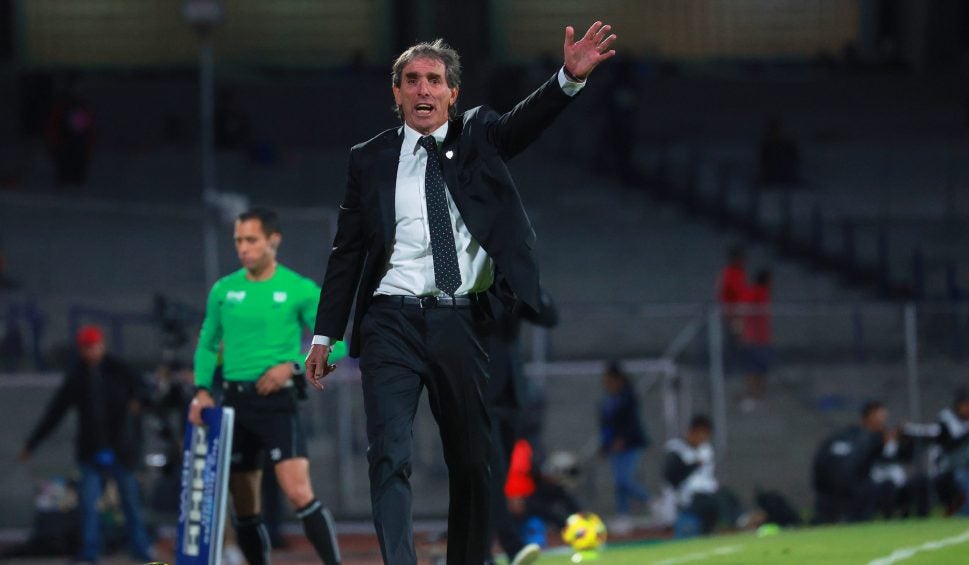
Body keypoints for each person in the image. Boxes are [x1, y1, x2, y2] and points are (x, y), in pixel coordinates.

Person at [304, 22, 618, 565]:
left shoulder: (478, 136)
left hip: (461, 321)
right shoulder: (368, 158)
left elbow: (523, 124)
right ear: (396, 92)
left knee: (474, 462)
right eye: (411, 80)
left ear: (453, 93)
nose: (423, 89)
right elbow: (347, 251)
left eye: (434, 80)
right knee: (389, 454)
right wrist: (324, 335)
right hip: (389, 321)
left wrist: (567, 79)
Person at [187, 208, 342, 565]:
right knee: (244, 507)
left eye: (252, 240)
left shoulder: (299, 289)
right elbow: (208, 345)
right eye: (239, 240)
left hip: (277, 404)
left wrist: (292, 367)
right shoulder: (224, 290)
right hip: (234, 404)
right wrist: (201, 391)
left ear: (274, 240)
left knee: (298, 493)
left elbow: (339, 343)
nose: (243, 248)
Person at [19, 325, 154, 564]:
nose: (91, 352)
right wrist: (32, 443)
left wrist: (138, 401)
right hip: (91, 451)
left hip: (121, 450)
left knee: (130, 502)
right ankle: (90, 551)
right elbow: (55, 412)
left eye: (94, 346)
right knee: (88, 503)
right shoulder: (78, 376)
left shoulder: (118, 369)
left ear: (102, 346)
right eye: (86, 347)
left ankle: (141, 549)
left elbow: (146, 389)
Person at [486, 291, 558, 564]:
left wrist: (528, 283)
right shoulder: (472, 281)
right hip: (480, 391)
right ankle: (512, 545)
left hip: (512, 393)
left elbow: (549, 317)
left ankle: (481, 553)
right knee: (492, 476)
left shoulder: (514, 285)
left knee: (495, 478)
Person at [905, 388, 969, 516]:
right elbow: (951, 444)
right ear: (959, 405)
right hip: (951, 470)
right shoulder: (946, 420)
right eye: (968, 405)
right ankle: (961, 518)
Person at [812, 401, 907, 524]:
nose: (883, 421)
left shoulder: (870, 437)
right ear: (869, 416)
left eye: (884, 417)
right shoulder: (863, 438)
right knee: (887, 487)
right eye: (880, 417)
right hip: (852, 490)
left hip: (850, 490)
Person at [599, 361, 650, 533]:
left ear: (618, 380)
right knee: (618, 483)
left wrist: (622, 439)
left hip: (628, 446)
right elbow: (605, 426)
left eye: (610, 380)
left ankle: (652, 501)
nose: (607, 384)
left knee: (624, 481)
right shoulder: (608, 401)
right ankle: (623, 516)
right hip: (613, 448)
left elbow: (631, 423)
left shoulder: (628, 397)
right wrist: (605, 445)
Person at [658, 415, 719, 535]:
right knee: (707, 504)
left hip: (706, 493)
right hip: (684, 496)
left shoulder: (706, 450)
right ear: (692, 431)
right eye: (701, 433)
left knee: (722, 499)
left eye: (706, 435)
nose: (703, 438)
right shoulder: (676, 449)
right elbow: (671, 477)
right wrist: (693, 465)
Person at [739, 269, 772, 411]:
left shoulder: (764, 294)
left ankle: (759, 396)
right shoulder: (755, 292)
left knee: (762, 370)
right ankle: (751, 396)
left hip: (763, 339)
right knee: (752, 369)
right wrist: (743, 334)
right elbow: (742, 310)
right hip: (753, 339)